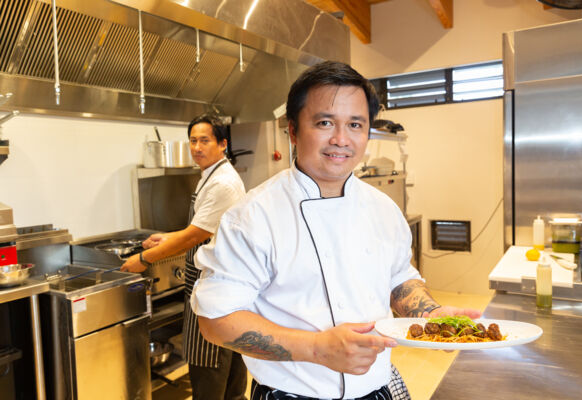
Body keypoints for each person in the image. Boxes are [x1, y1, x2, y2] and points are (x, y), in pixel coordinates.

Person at [190, 62, 481, 399]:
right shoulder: (252, 216)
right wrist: (316, 348)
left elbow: (398, 277)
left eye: (355, 124)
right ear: (294, 131)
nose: (341, 139)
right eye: (325, 122)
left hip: (377, 388)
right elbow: (215, 320)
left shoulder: (383, 208)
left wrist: (432, 315)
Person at [121, 114, 247, 400]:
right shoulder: (212, 175)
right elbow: (200, 229)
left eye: (205, 140)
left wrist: (145, 259)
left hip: (215, 292)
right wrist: (167, 237)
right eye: (193, 141)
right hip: (215, 290)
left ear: (222, 144)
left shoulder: (222, 184)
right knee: (230, 377)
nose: (197, 147)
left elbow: (193, 237)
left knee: (210, 371)